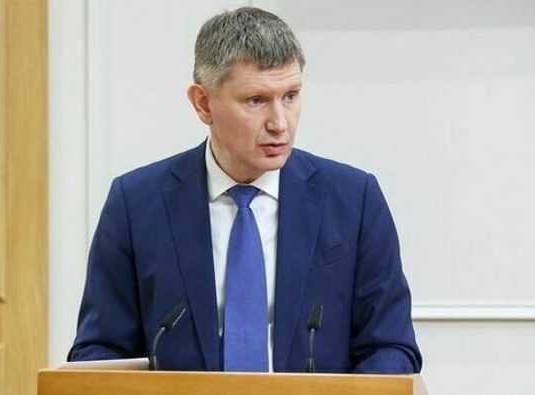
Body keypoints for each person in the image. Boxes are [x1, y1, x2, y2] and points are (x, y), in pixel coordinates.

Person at [67, 7, 421, 374]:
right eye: (256, 100)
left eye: (291, 96)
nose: (280, 123)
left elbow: (390, 346)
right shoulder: (136, 204)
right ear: (203, 103)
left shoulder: (354, 200)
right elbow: (100, 350)